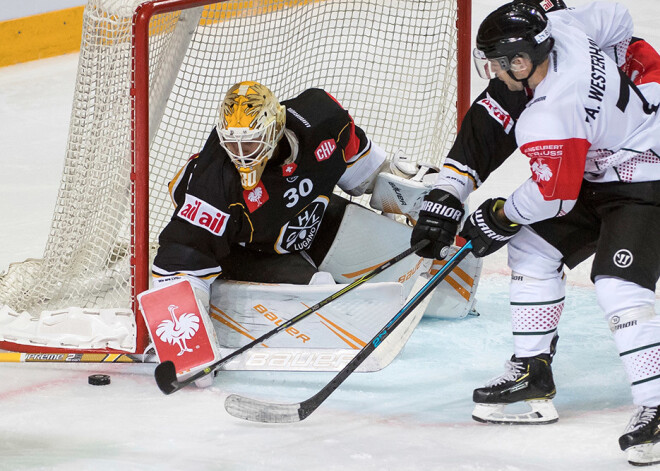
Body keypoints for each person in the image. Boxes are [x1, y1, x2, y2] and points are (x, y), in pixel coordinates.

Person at [411, 0, 660, 465]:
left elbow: (554, 196)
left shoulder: (550, 113)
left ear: (522, 62)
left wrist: (496, 217)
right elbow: (620, 21)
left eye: (497, 64)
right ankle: (532, 373)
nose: (492, 73)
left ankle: (658, 405)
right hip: (603, 159)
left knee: (619, 286)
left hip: (646, 172)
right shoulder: (564, 25)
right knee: (531, 250)